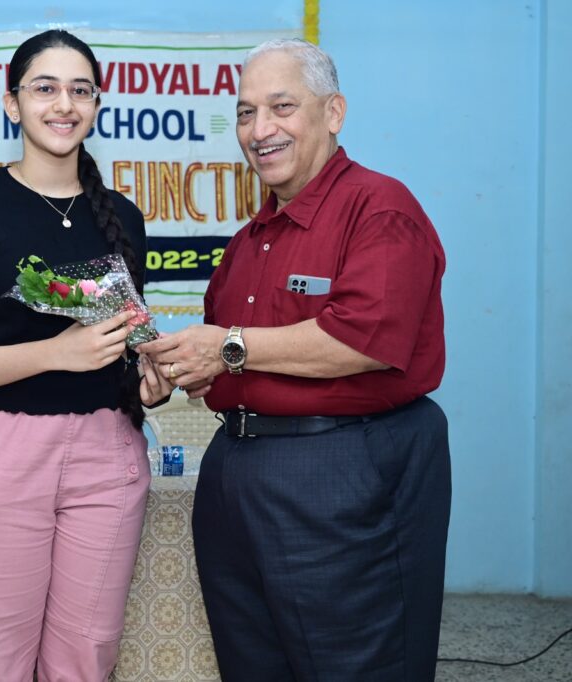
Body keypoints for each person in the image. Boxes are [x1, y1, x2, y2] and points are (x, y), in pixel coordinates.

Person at [138, 39, 451, 681]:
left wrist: (227, 347)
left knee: (356, 665)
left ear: (333, 113)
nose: (260, 130)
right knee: (253, 665)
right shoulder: (248, 241)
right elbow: (226, 365)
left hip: (341, 469)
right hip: (237, 474)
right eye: (245, 112)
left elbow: (361, 341)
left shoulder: (379, 209)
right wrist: (177, 368)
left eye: (282, 107)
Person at [0, 29, 174, 682]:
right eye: (45, 88)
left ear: (97, 104)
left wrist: (151, 377)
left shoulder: (123, 216)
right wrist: (57, 352)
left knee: (86, 657)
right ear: (12, 104)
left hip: (107, 453)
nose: (64, 104)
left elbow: (126, 341)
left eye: (80, 90)